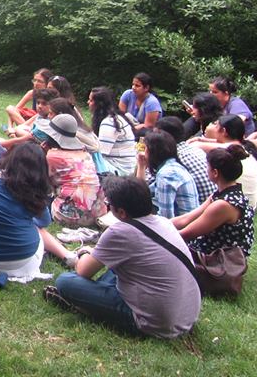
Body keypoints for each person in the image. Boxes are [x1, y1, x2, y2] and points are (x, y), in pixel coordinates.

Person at [49, 176, 201, 339]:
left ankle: (85, 304)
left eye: (109, 205)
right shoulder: (163, 222)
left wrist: (84, 252)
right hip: (186, 316)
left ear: (121, 212)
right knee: (117, 266)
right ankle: (91, 298)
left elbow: (83, 271)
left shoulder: (120, 232)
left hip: (154, 322)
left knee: (65, 281)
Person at [0, 142, 76, 281]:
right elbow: (44, 222)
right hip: (20, 263)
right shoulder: (29, 191)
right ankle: (67, 255)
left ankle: (68, 256)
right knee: (37, 228)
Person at [172, 145, 255, 258]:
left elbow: (187, 234)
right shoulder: (223, 194)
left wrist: (158, 234)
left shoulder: (223, 205)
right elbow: (187, 218)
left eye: (207, 166)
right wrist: (159, 224)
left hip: (217, 262)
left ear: (215, 172)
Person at [45, 114, 107, 227]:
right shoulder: (85, 154)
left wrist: (44, 153)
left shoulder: (53, 156)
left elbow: (46, 181)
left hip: (69, 215)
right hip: (96, 212)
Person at [187, 113, 257, 209]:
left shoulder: (227, 148)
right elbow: (220, 142)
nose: (211, 126)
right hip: (247, 204)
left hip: (233, 205)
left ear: (224, 131)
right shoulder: (240, 147)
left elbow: (193, 146)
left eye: (215, 125)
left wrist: (200, 140)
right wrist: (202, 139)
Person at [135, 129, 199, 218]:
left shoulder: (166, 175)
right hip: (185, 220)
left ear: (152, 151)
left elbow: (166, 216)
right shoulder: (172, 165)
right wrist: (141, 165)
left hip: (182, 223)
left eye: (145, 148)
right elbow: (142, 192)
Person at [155, 116, 217, 201]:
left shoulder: (172, 158)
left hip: (199, 204)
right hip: (212, 200)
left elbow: (147, 183)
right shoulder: (195, 149)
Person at [88, 87, 136, 174]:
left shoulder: (109, 123)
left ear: (99, 105)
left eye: (91, 100)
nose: (88, 102)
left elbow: (100, 152)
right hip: (122, 165)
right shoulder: (114, 118)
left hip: (121, 169)